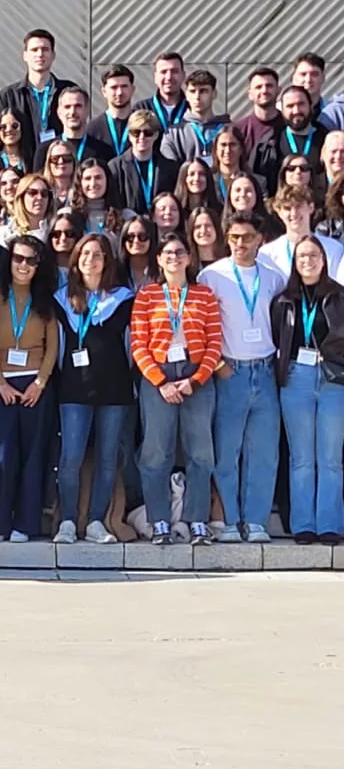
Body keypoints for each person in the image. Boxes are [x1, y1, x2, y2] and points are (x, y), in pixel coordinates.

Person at [130, 231, 221, 546]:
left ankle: (196, 520)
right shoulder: (146, 296)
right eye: (167, 252)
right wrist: (161, 382)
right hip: (158, 377)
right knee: (156, 452)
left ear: (189, 257)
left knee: (201, 452)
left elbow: (214, 344)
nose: (174, 257)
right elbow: (139, 345)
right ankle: (159, 522)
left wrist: (194, 381)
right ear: (158, 259)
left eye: (180, 252)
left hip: (196, 377)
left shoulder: (204, 295)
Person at [198, 212, 284, 542]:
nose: (240, 244)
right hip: (229, 370)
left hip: (264, 371)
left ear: (259, 239)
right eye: (234, 238)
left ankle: (257, 521)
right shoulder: (212, 276)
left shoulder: (273, 277)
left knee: (263, 451)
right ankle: (230, 521)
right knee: (227, 450)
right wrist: (218, 364)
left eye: (247, 237)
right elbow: (203, 326)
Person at [54, 233, 133, 544]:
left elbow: (129, 346)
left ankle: (97, 521)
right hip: (74, 391)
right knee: (71, 457)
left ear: (106, 261)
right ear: (76, 260)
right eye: (85, 254)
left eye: (98, 254)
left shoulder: (123, 299)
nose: (91, 260)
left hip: (115, 391)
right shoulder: (62, 300)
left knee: (107, 458)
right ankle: (69, 522)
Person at [0, 236, 60, 542]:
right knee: (4, 455)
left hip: (35, 386)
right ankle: (1, 523)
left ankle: (26, 524)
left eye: (30, 260)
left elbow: (52, 346)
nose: (23, 266)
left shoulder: (46, 299)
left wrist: (39, 383)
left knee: (33, 455)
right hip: (2, 384)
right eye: (18, 258)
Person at [271, 235, 344, 546]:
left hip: (332, 378)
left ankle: (329, 524)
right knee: (301, 457)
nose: (308, 261)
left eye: (313, 255)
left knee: (329, 457)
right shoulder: (284, 300)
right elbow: (277, 338)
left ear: (324, 260)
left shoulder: (340, 297)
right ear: (294, 261)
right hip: (296, 377)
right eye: (301, 257)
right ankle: (303, 524)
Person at [0, 29, 79, 147]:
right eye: (34, 50)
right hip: (24, 162)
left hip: (60, 161)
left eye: (45, 49)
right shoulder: (8, 95)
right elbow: (1, 138)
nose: (40, 54)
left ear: (53, 55)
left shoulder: (68, 91)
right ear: (25, 55)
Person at [259, 185, 344, 278]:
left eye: (298, 206)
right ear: (279, 212)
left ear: (311, 207)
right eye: (287, 208)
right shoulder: (267, 254)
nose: (294, 213)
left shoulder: (333, 248)